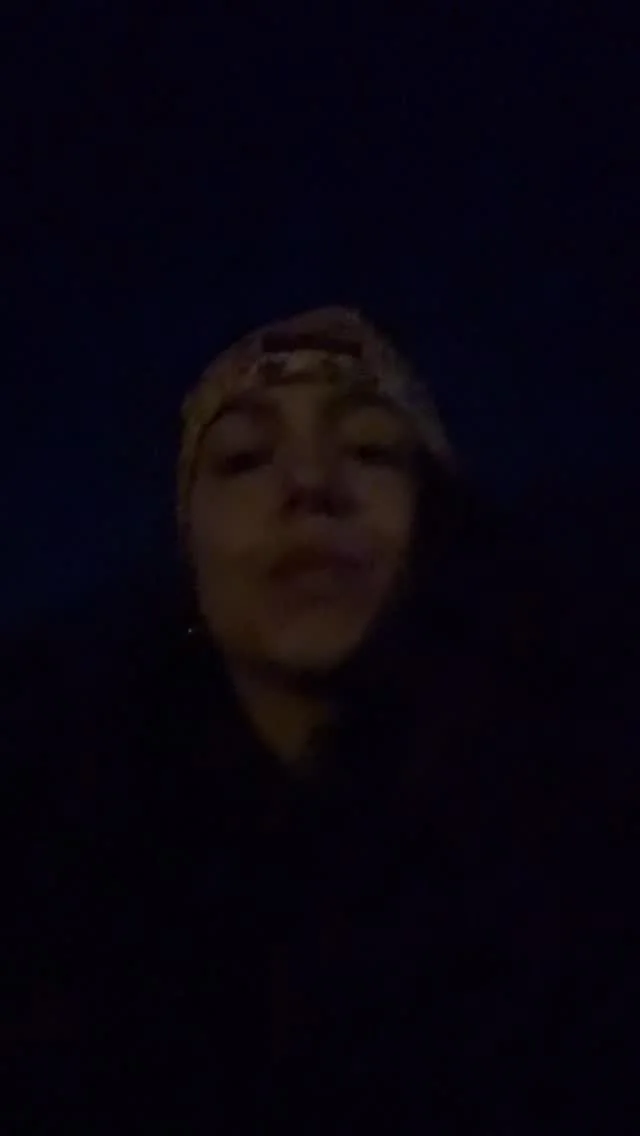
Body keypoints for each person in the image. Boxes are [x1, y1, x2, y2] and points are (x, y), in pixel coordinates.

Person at [5, 306, 636, 1133]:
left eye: (372, 450)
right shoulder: (64, 897)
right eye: (243, 458)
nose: (310, 485)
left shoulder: (588, 860)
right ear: (185, 550)